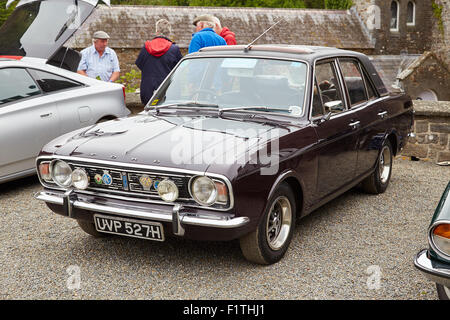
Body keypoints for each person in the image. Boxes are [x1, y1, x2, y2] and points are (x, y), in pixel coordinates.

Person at [135, 19, 182, 105]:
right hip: (167, 91)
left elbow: (139, 64)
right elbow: (179, 70)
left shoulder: (146, 47)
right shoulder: (174, 49)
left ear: (157, 31)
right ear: (169, 32)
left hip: (147, 90)